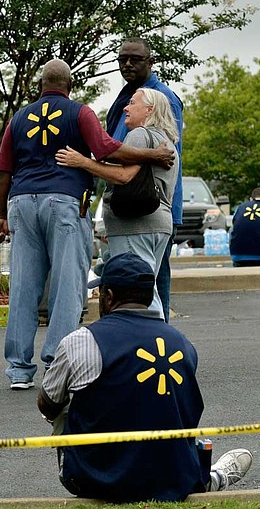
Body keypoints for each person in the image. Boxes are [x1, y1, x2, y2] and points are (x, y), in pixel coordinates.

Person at [0, 59, 175, 390]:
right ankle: (56, 363)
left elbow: (3, 170)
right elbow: (106, 148)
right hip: (63, 202)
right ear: (70, 85)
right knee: (67, 285)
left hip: (20, 203)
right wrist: (152, 156)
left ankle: (18, 369)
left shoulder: (18, 118)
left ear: (41, 86)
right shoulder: (80, 112)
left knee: (23, 286)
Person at [37, 252, 252, 502]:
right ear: (150, 297)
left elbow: (47, 403)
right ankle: (209, 478)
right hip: (175, 477)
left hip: (95, 480)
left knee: (68, 403)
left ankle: (204, 478)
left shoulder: (81, 341)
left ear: (108, 297)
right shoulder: (182, 344)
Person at [55, 87, 178, 319]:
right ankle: (155, 339)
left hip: (135, 225)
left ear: (149, 110)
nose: (126, 107)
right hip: (160, 223)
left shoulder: (140, 135)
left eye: (132, 102)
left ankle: (152, 344)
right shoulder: (168, 143)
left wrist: (82, 162)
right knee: (146, 287)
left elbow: (124, 176)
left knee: (136, 293)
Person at [106, 37, 184, 322]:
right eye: (122, 59)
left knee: (149, 283)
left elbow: (169, 153)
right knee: (142, 281)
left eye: (135, 59)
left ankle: (158, 342)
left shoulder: (159, 98)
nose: (127, 64)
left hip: (149, 207)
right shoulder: (128, 96)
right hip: (132, 206)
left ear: (150, 62)